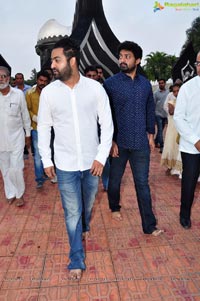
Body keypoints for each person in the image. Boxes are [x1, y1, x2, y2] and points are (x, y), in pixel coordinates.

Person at [37, 37, 113, 280]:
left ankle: (84, 224)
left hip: (93, 164)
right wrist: (46, 160)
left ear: (72, 60)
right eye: (52, 61)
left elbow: (107, 126)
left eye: (57, 60)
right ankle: (76, 258)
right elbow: (44, 129)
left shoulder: (95, 89)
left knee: (87, 206)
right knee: (72, 212)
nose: (53, 65)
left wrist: (101, 157)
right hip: (66, 164)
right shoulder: (48, 93)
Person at [104, 41, 163, 236]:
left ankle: (149, 226)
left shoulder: (145, 84)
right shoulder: (110, 84)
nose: (122, 60)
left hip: (140, 144)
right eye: (120, 56)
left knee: (142, 184)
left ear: (137, 60)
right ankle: (114, 207)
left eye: (127, 56)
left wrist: (151, 134)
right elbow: (106, 115)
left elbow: (149, 110)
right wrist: (110, 140)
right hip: (119, 143)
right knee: (114, 182)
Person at [174, 51, 200, 230]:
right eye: (198, 63)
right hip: (191, 147)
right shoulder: (187, 88)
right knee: (189, 183)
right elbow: (178, 118)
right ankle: (185, 214)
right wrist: (196, 140)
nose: (199, 67)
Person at [0, 66, 31, 206]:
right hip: (1, 141)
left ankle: (19, 194)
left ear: (9, 78)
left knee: (17, 168)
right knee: (5, 168)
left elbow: (25, 115)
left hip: (17, 138)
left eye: (4, 76)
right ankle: (10, 193)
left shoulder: (18, 94)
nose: (1, 79)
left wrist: (28, 134)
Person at [26, 70, 50, 189]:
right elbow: (27, 109)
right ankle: (39, 178)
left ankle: (50, 173)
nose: (43, 83)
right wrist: (34, 117)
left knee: (52, 151)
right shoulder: (29, 93)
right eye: (41, 80)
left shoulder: (51, 93)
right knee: (38, 155)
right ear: (37, 80)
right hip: (37, 128)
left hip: (52, 127)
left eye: (45, 81)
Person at [161, 83, 182, 176]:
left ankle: (179, 167)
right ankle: (170, 166)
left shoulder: (184, 97)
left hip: (181, 126)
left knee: (179, 146)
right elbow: (169, 110)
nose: (176, 93)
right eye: (174, 91)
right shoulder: (170, 96)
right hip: (172, 125)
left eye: (178, 90)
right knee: (170, 145)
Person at [14, 73, 32, 159]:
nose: (19, 80)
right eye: (17, 78)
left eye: (20, 78)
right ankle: (23, 150)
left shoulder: (29, 89)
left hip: (29, 114)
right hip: (18, 117)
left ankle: (28, 148)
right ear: (15, 80)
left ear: (23, 79)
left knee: (28, 131)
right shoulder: (13, 91)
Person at [154, 78, 169, 153]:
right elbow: (153, 104)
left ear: (165, 83)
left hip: (165, 114)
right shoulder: (156, 93)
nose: (161, 84)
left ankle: (156, 141)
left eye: (162, 83)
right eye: (159, 83)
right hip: (158, 114)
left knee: (161, 129)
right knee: (160, 130)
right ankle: (162, 146)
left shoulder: (168, 93)